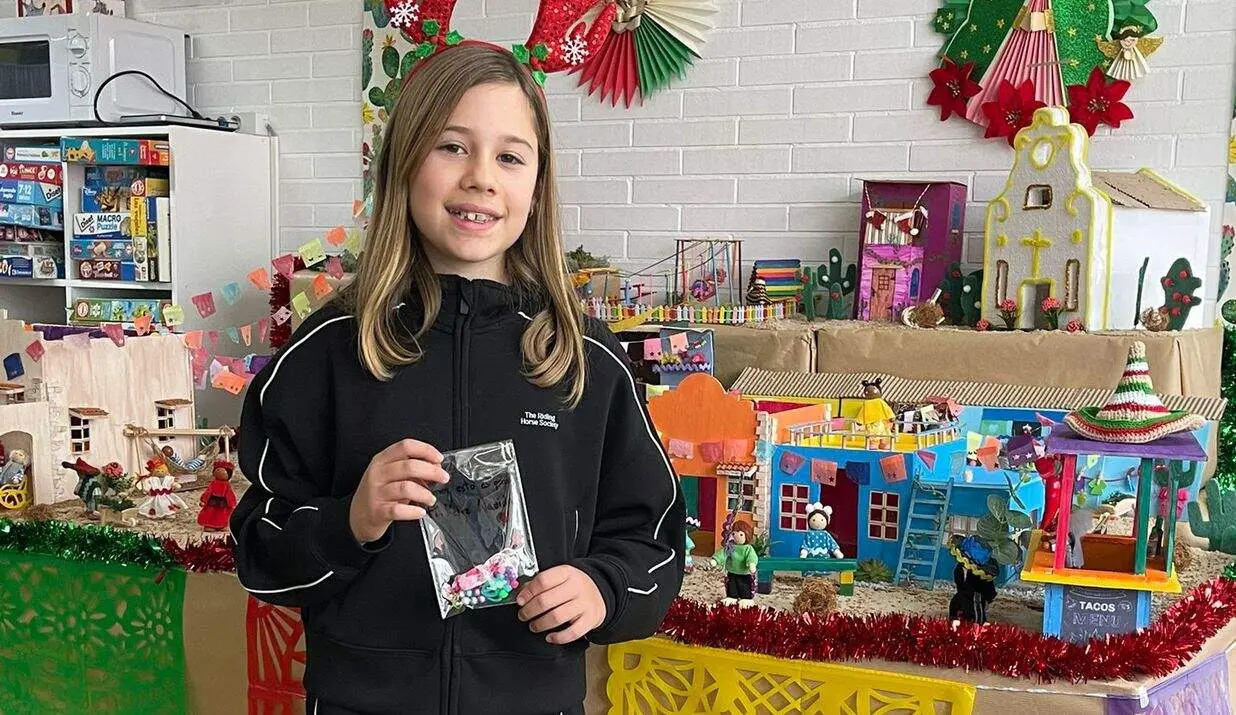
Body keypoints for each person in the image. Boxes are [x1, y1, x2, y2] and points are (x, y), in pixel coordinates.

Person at [231, 41, 684, 715]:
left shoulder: (583, 356)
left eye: (509, 155)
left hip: (533, 698)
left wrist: (604, 587)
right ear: (404, 162)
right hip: (363, 699)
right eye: (451, 146)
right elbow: (257, 545)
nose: (480, 177)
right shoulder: (330, 349)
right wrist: (350, 520)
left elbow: (653, 537)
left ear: (537, 182)